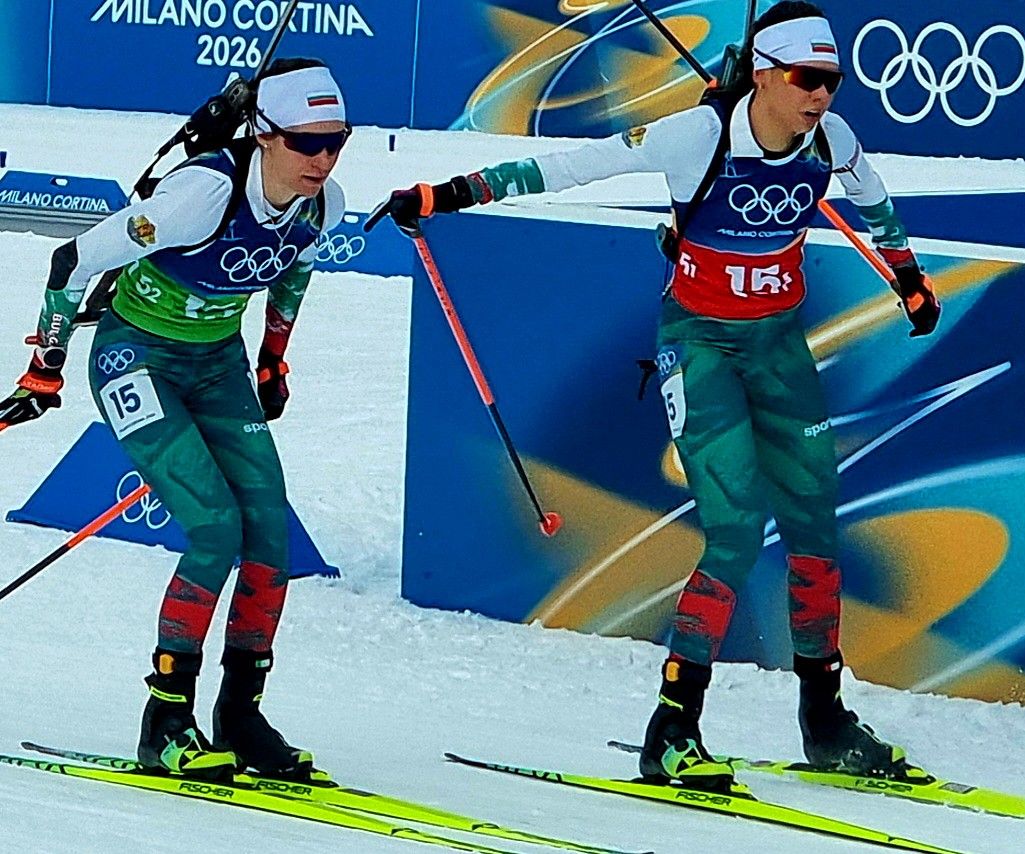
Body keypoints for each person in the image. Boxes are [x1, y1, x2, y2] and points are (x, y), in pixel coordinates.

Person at [369, 1, 940, 790]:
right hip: (702, 346)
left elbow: (875, 202)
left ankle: (826, 721)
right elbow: (572, 167)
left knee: (816, 530)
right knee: (735, 531)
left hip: (779, 348)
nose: (820, 95)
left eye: (831, 81)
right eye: (806, 78)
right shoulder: (695, 136)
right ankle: (672, 730)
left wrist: (908, 278)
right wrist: (448, 193)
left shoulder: (831, 140)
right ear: (764, 74)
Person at [0, 58, 350, 781]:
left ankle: (241, 716)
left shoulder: (323, 205)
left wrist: (272, 360)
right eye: (305, 143)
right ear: (263, 132)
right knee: (216, 528)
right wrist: (45, 367)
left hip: (217, 364)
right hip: (136, 359)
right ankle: (164, 720)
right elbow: (70, 261)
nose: (322, 159)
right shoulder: (200, 195)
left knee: (269, 535)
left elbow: (293, 270)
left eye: (335, 141)